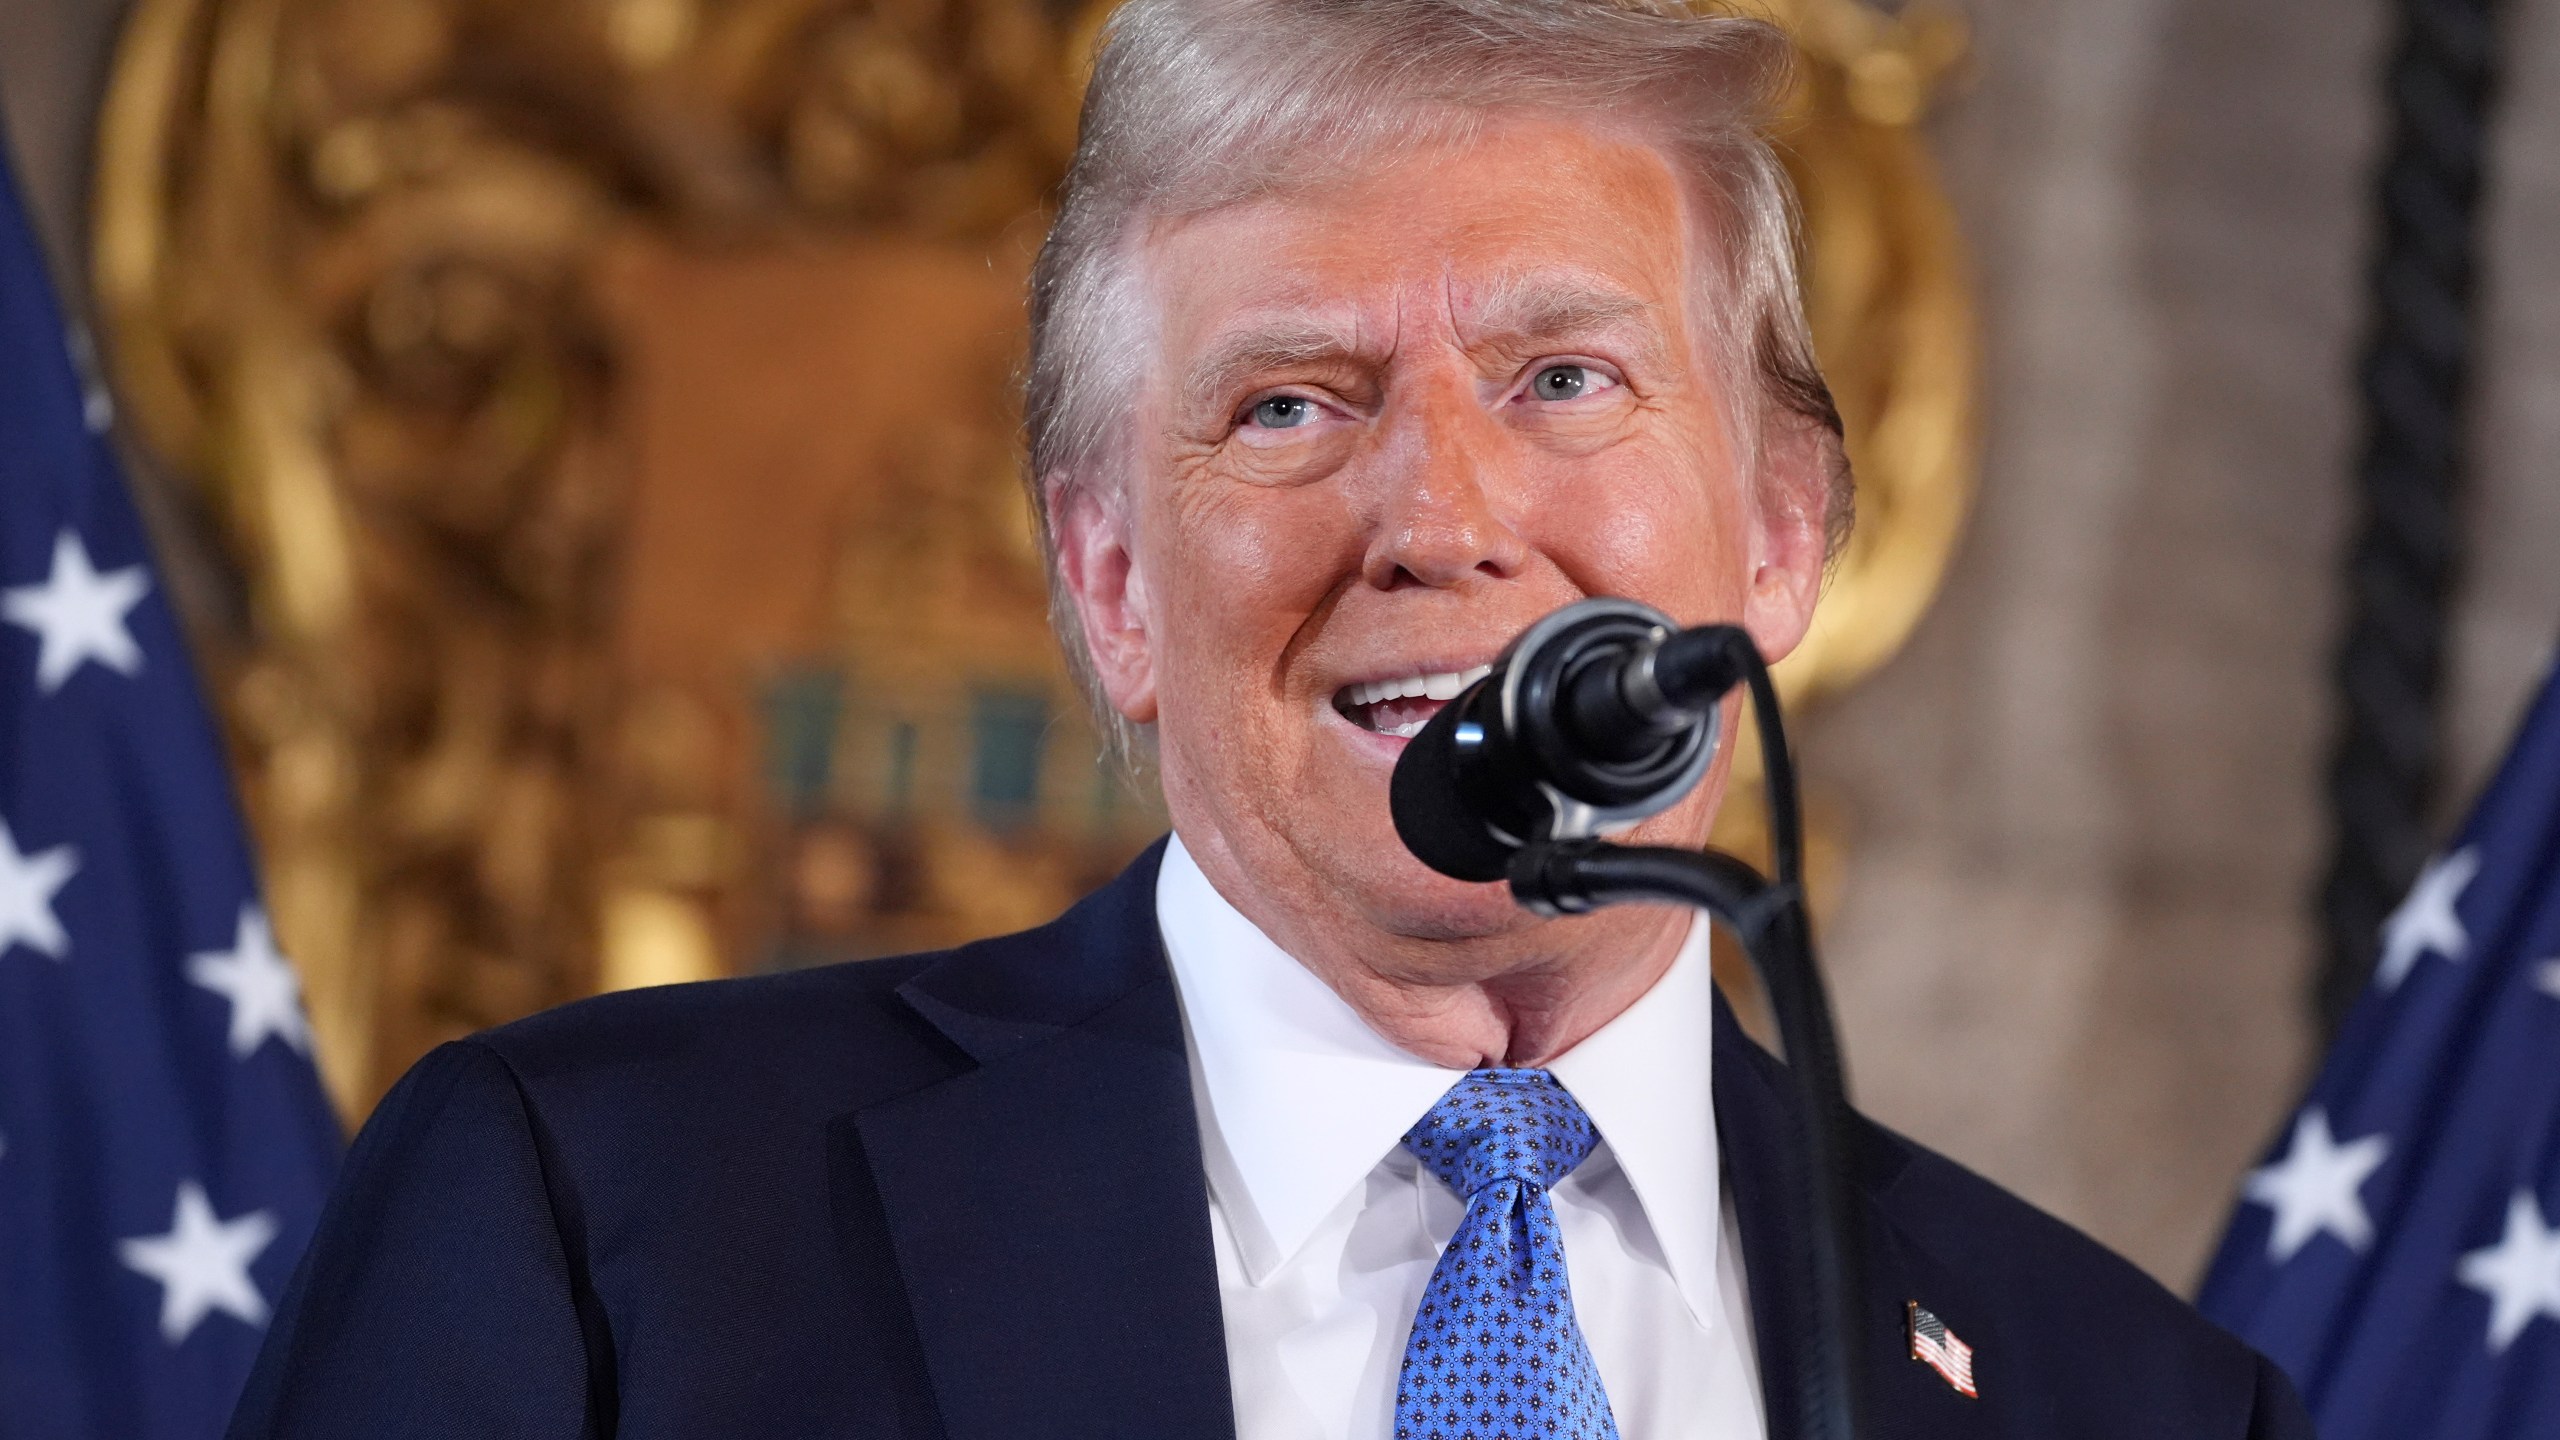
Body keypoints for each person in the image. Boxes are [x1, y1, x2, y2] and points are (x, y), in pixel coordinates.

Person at [228, 2, 2315, 1436]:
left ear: (1779, 538)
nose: (1439, 517)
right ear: (1115, 585)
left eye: (1560, 377)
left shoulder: (2110, 1395)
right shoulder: (602, 1222)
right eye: (1290, 404)